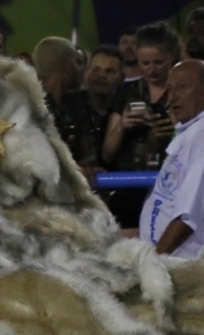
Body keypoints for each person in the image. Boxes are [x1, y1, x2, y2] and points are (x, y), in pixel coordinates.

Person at [103, 21, 181, 227]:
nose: (152, 70)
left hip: (173, 187)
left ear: (172, 56)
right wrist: (121, 126)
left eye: (158, 62)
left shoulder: (183, 91)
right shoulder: (126, 92)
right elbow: (107, 153)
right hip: (129, 187)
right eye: (145, 63)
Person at [138, 60, 204, 258]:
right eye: (169, 88)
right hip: (171, 264)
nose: (172, 97)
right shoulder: (195, 131)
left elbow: (187, 217)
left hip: (185, 269)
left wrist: (153, 262)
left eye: (182, 87)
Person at [34, 37, 96, 167]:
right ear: (64, 64)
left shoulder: (77, 104)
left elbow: (89, 155)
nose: (82, 69)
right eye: (77, 62)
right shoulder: (31, 105)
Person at [78, 45, 126, 166]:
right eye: (96, 69)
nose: (101, 75)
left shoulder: (126, 110)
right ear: (87, 72)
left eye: (110, 71)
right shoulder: (69, 107)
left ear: (122, 77)